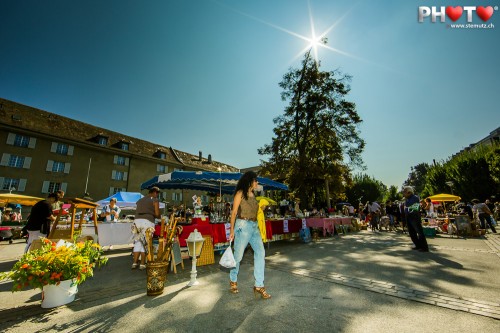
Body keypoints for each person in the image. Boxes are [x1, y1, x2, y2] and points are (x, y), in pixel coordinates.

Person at [228, 171, 271, 299]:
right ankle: (233, 280)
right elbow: (234, 213)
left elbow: (255, 212)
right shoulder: (240, 193)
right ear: (250, 181)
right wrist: (231, 231)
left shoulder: (253, 194)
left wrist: (261, 208)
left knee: (260, 252)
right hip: (242, 226)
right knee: (238, 256)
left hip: (254, 226)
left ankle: (259, 285)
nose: (257, 182)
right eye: (255, 180)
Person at [132, 187, 161, 269]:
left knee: (138, 242)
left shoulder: (140, 200)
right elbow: (157, 213)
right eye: (157, 193)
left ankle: (134, 263)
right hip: (147, 221)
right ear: (155, 192)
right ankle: (142, 264)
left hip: (136, 221)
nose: (157, 195)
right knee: (146, 242)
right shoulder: (154, 200)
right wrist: (159, 216)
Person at [403, 186, 429, 252]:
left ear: (409, 192)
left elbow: (414, 208)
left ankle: (424, 247)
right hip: (408, 216)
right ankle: (417, 245)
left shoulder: (415, 198)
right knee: (412, 233)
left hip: (414, 216)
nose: (403, 194)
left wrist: (408, 210)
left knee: (419, 232)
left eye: (404, 192)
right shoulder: (407, 199)